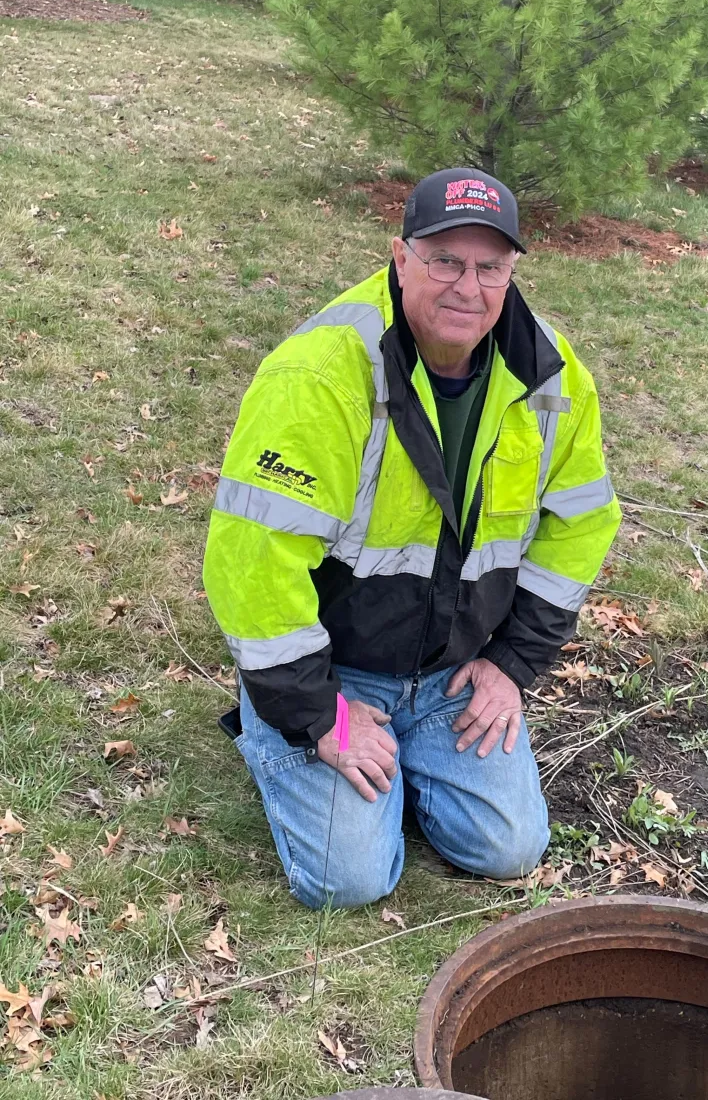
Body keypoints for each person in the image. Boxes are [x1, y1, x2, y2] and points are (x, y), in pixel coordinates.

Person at [203, 167, 621, 908]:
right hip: (338, 669)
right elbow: (252, 563)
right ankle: (275, 727)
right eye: (444, 261)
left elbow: (582, 523)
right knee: (350, 880)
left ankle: (390, 771)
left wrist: (512, 664)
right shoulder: (321, 376)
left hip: (453, 673)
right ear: (400, 259)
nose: (468, 285)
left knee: (508, 848)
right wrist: (315, 712)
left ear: (512, 270)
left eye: (490, 266)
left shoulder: (552, 377)